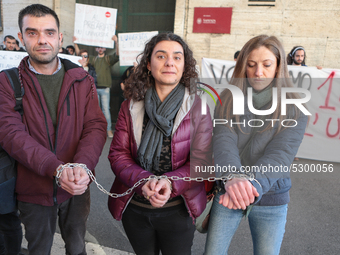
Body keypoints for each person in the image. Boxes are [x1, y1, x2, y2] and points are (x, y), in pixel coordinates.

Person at [0, 4, 107, 254]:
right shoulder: (7, 82)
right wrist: (55, 169)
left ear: (59, 38)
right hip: (33, 189)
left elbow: (95, 125)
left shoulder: (82, 78)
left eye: (49, 32)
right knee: (39, 249)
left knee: (77, 247)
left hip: (77, 188)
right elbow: (10, 134)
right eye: (32, 33)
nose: (42, 40)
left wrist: (83, 166)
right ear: (21, 37)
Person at [107, 33, 213, 255]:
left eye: (177, 57)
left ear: (185, 65)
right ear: (148, 63)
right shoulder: (131, 105)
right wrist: (143, 180)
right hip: (135, 208)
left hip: (178, 210)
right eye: (161, 56)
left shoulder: (198, 107)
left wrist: (170, 183)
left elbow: (202, 162)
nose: (169, 63)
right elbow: (118, 155)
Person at [204, 35, 308, 255]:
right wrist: (233, 177)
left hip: (271, 195)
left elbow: (281, 154)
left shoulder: (295, 108)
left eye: (266, 65)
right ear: (243, 66)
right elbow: (224, 141)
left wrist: (252, 184)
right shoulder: (227, 98)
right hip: (229, 189)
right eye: (251, 65)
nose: (258, 72)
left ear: (279, 66)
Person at [73, 36, 119, 138]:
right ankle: (97, 131)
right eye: (99, 47)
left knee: (106, 110)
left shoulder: (108, 59)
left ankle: (109, 130)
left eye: (102, 47)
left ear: (105, 48)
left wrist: (116, 42)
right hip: (94, 88)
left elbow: (117, 55)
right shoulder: (93, 59)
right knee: (95, 111)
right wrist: (75, 43)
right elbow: (79, 55)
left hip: (105, 89)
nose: (100, 49)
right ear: (96, 49)